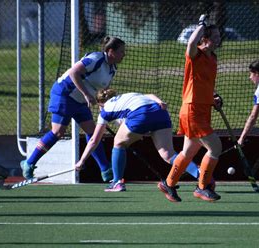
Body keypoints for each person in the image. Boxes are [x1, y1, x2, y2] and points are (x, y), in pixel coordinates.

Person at [20, 36, 126, 182]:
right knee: (58, 132)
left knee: (93, 132)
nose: (123, 55)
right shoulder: (96, 59)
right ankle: (29, 163)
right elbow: (73, 72)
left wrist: (106, 110)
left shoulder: (112, 69)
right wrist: (87, 94)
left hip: (81, 101)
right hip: (64, 94)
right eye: (121, 52)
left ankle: (106, 170)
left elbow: (102, 94)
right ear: (110, 51)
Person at [74, 90, 202, 192]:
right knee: (168, 154)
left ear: (100, 104)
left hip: (140, 115)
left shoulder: (105, 111)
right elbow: (150, 95)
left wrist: (81, 161)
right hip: (160, 112)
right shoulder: (128, 96)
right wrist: (160, 101)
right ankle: (200, 174)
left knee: (118, 143)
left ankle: (117, 182)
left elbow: (93, 140)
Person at [157, 14, 223, 203]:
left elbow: (205, 84)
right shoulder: (195, 54)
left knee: (189, 151)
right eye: (215, 37)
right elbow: (191, 43)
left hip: (203, 108)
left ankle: (168, 184)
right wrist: (201, 24)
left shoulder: (213, 58)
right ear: (204, 38)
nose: (218, 40)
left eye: (219, 36)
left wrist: (214, 98)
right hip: (192, 109)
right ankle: (202, 187)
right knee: (215, 147)